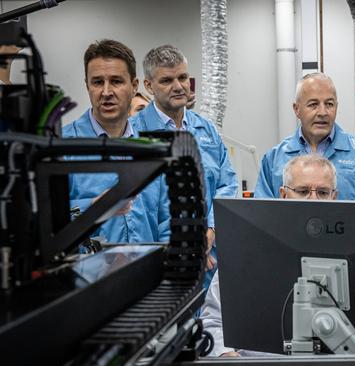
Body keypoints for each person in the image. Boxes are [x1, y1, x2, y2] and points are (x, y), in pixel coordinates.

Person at [201, 154, 338, 357]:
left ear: (334, 197)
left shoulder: (348, 254)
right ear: (283, 194)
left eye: (323, 192)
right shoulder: (246, 250)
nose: (314, 199)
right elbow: (213, 320)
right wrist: (224, 354)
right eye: (302, 191)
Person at [129, 45, 238, 285]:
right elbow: (137, 210)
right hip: (162, 267)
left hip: (209, 262)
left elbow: (227, 185)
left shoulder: (206, 129)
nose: (178, 86)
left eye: (182, 77)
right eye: (167, 80)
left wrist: (210, 234)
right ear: (148, 86)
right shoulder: (133, 133)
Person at [63, 39, 169, 243]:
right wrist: (94, 208)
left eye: (116, 81)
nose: (106, 92)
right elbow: (44, 223)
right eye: (97, 82)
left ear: (134, 86)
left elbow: (165, 221)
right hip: (88, 273)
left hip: (146, 270)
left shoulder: (152, 148)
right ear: (87, 86)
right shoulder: (61, 148)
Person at [254, 72, 355, 201]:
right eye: (313, 105)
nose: (322, 112)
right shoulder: (273, 160)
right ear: (296, 109)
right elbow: (262, 215)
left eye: (329, 104)